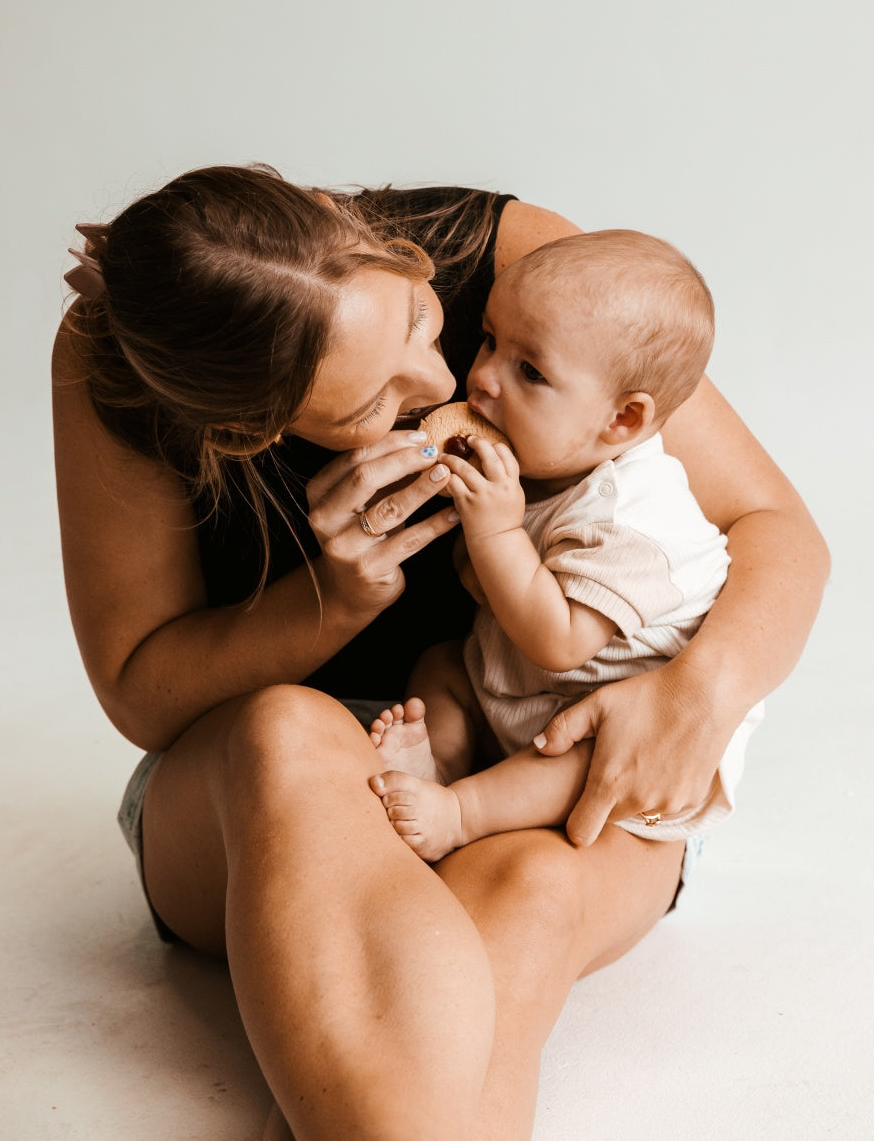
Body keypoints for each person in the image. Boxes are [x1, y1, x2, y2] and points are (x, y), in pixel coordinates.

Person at [52, 165, 828, 1141]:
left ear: (353, 226)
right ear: (252, 431)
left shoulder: (518, 265)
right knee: (283, 733)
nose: (445, 383)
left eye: (422, 319)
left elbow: (777, 527)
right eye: (373, 402)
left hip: (532, 768)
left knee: (533, 884)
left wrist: (691, 692)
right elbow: (143, 695)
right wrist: (331, 599)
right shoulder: (122, 358)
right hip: (254, 798)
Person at [368, 231, 763, 862]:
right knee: (442, 667)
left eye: (531, 372)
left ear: (623, 420)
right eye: (491, 340)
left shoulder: (633, 521)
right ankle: (437, 764)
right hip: (518, 688)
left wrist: (494, 529)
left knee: (577, 756)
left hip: (607, 727)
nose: (485, 379)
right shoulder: (544, 459)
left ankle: (463, 813)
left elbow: (558, 643)